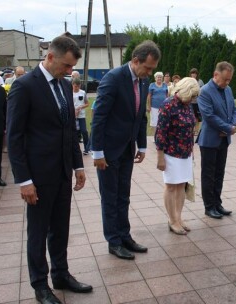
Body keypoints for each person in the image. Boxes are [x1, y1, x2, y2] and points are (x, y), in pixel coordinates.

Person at [7, 35, 93, 304]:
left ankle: (61, 274)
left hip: (62, 172)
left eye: (72, 68)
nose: (70, 72)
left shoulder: (65, 86)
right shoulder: (24, 86)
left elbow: (68, 128)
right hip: (38, 176)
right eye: (66, 66)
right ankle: (40, 285)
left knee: (60, 227)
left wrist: (78, 165)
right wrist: (24, 180)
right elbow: (15, 137)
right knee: (39, 231)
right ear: (51, 57)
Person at [91, 40, 160, 260]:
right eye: (147, 68)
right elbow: (99, 117)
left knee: (124, 196)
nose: (149, 73)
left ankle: (125, 236)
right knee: (110, 197)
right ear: (135, 60)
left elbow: (140, 116)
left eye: (152, 69)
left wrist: (141, 144)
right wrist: (98, 152)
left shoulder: (142, 81)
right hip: (109, 151)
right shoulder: (113, 79)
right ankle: (113, 241)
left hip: (127, 149)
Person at [155, 77, 199, 235]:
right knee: (171, 186)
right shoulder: (168, 105)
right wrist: (160, 157)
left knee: (181, 186)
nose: (194, 99)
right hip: (171, 153)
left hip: (186, 153)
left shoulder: (187, 105)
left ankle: (179, 218)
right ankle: (172, 220)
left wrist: (191, 151)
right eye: (193, 95)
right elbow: (160, 133)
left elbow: (189, 129)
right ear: (186, 91)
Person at [197, 61, 236, 219]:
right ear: (216, 75)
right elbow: (208, 116)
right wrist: (228, 128)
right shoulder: (205, 91)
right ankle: (209, 206)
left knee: (219, 173)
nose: (227, 83)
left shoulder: (227, 90)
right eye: (225, 79)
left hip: (223, 140)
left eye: (229, 80)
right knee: (208, 174)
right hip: (209, 140)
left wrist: (232, 124)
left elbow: (233, 109)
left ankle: (217, 203)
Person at [72, 78, 90, 155]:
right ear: (72, 85)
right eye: (76, 86)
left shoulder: (83, 93)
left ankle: (86, 148)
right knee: (74, 133)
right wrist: (74, 111)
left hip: (81, 116)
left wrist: (81, 107)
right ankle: (75, 150)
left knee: (84, 131)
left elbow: (87, 103)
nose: (77, 88)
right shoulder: (69, 93)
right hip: (72, 116)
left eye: (78, 86)